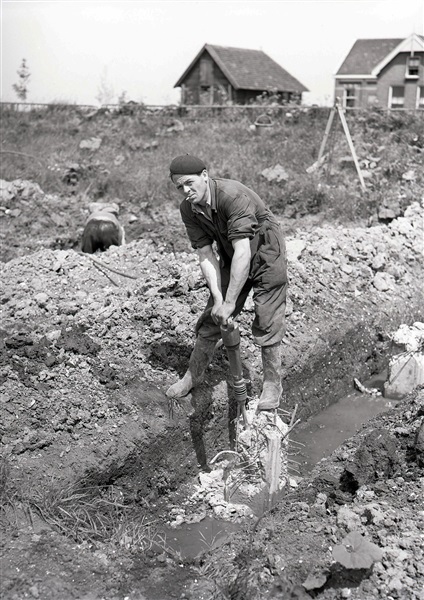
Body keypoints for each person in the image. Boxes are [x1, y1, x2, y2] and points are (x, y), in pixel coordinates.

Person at [166, 154, 287, 411]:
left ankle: (272, 384)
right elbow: (205, 254)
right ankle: (192, 376)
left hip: (265, 249)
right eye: (179, 187)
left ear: (205, 175)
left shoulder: (231, 196)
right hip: (232, 250)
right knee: (213, 314)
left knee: (267, 314)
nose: (186, 191)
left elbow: (244, 250)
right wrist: (220, 299)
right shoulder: (189, 209)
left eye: (189, 183)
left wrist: (232, 301)